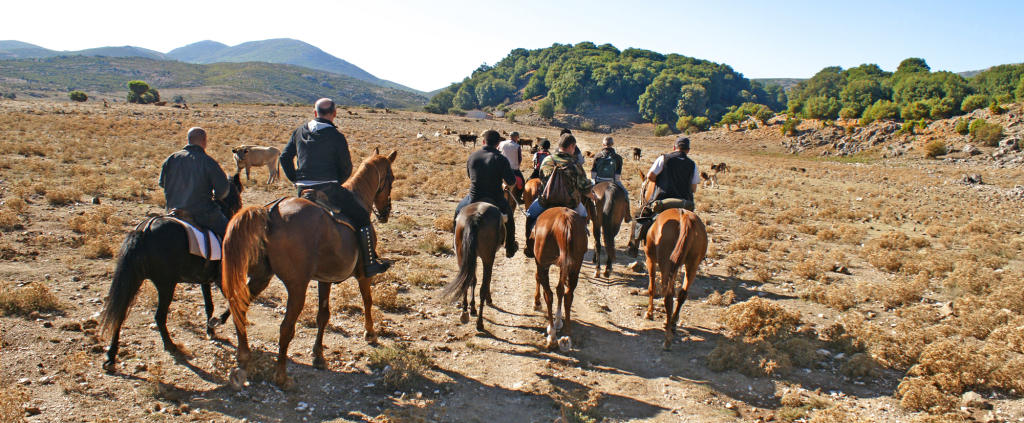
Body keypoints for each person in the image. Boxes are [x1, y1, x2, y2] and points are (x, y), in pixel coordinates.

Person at [279, 98, 390, 277]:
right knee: (362, 215)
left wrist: (296, 179)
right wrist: (335, 182)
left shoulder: (299, 131)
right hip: (329, 190)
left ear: (315, 113)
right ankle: (369, 263)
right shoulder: (337, 137)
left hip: (302, 191)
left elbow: (284, 158)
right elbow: (346, 168)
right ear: (334, 113)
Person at [523, 134, 596, 258]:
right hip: (571, 204)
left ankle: (529, 244)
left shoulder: (547, 160)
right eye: (574, 147)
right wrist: (594, 196)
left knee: (530, 214)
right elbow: (583, 187)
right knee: (583, 214)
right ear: (571, 146)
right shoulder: (575, 163)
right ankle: (581, 244)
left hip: (546, 202)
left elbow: (542, 179)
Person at [454, 130, 518, 257]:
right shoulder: (501, 159)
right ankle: (510, 247)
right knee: (509, 217)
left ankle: (456, 244)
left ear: (483, 141)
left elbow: (470, 176)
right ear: (498, 143)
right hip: (496, 199)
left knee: (457, 213)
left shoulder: (472, 156)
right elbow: (511, 181)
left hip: (473, 198)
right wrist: (506, 184)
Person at [159, 127, 231, 239]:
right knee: (232, 236)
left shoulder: (171, 159)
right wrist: (216, 196)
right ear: (204, 142)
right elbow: (222, 190)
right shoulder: (208, 162)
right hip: (203, 214)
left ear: (188, 140)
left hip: (172, 211)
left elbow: (162, 183)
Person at [642, 136, 700, 214]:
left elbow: (650, 176)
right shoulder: (693, 164)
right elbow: (693, 189)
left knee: (641, 219)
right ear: (688, 150)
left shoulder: (664, 158)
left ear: (674, 147)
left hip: (662, 201)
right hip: (685, 204)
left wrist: (660, 183)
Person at [590, 136, 629, 205]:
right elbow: (618, 176)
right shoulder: (618, 157)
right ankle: (627, 215)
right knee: (625, 194)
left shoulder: (597, 156)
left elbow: (593, 174)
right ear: (612, 144)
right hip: (613, 181)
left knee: (586, 195)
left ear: (603, 145)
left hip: (598, 181)